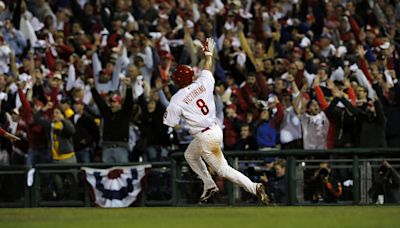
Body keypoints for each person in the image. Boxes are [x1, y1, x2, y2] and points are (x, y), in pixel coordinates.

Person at [163, 38, 269, 205]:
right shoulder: (202, 82)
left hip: (205, 136)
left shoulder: (176, 99)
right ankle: (209, 184)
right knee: (190, 155)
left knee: (223, 170)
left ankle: (254, 187)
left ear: (177, 81)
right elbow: (207, 67)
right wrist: (208, 54)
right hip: (215, 129)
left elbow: (170, 123)